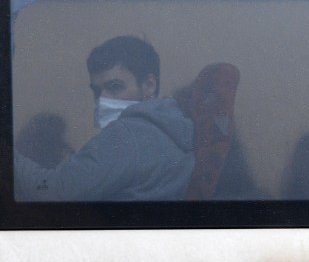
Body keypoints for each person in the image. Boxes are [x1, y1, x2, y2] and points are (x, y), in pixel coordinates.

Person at [14, 36, 194, 201]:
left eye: (115, 87)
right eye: (97, 91)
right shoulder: (174, 127)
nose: (102, 100)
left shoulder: (127, 134)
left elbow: (52, 191)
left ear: (149, 86)